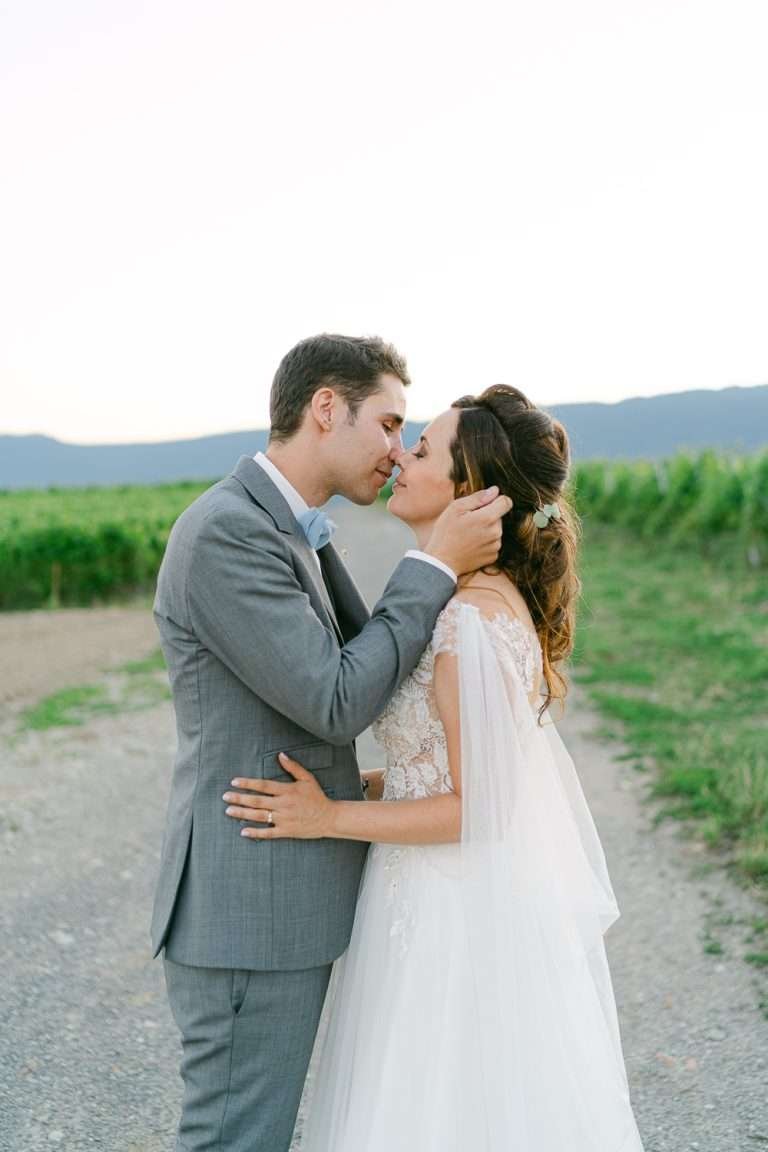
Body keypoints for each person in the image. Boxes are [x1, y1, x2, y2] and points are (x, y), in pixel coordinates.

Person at [224, 384, 646, 1151]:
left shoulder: (466, 624)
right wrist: (347, 787)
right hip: (428, 893)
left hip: (447, 908)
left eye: (421, 450)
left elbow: (475, 805)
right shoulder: (477, 599)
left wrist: (330, 817)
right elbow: (439, 768)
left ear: (469, 493)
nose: (400, 457)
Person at [151, 334, 511, 1152]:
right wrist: (436, 566)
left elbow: (365, 664)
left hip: (282, 906)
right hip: (248, 906)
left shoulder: (288, 526)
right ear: (324, 409)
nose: (395, 450)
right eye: (388, 424)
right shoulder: (227, 533)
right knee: (236, 1139)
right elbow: (338, 698)